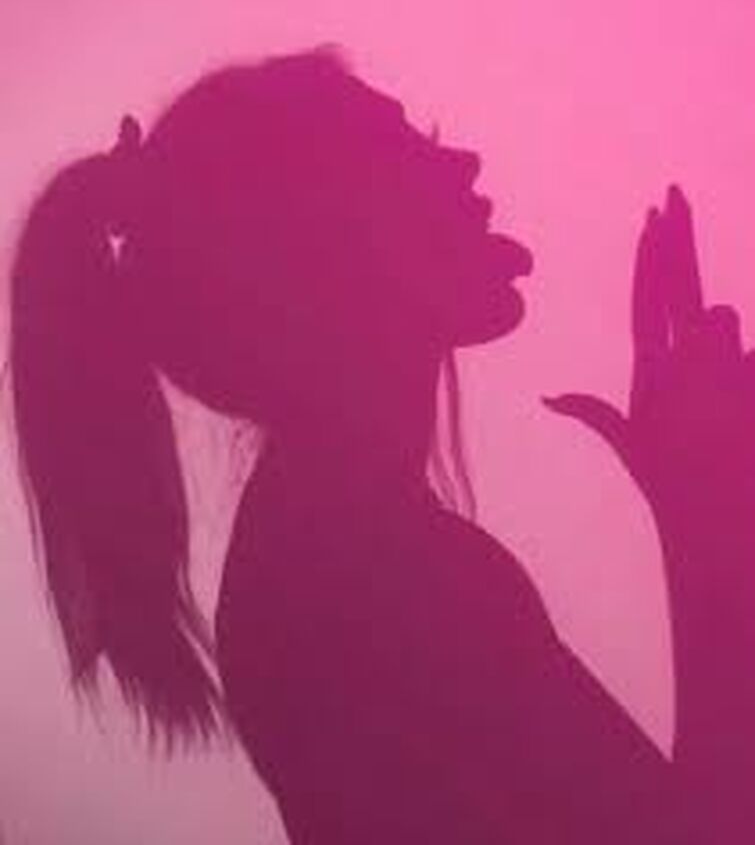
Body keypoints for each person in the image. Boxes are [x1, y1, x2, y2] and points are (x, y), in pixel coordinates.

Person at [10, 46, 755, 842]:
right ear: (326, 251)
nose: (461, 161)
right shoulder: (379, 569)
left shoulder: (317, 552)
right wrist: (710, 520)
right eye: (404, 146)